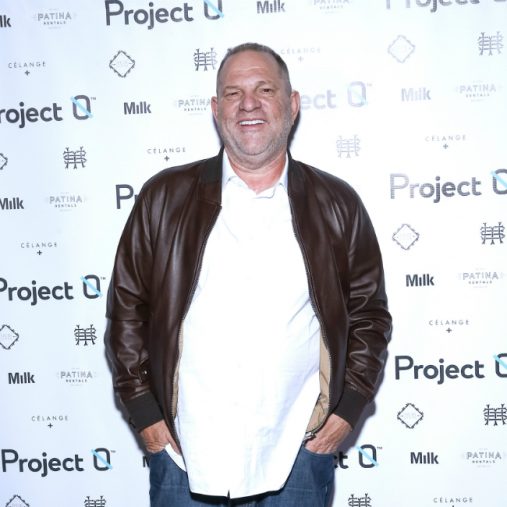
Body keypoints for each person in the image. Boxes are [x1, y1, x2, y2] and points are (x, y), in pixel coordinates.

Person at [105, 42, 391, 507]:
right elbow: (127, 309)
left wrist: (348, 407)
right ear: (216, 109)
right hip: (184, 454)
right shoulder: (164, 197)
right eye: (233, 93)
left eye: (265, 90)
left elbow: (369, 314)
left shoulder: (336, 203)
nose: (248, 104)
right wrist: (145, 414)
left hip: (299, 453)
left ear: (292, 105)